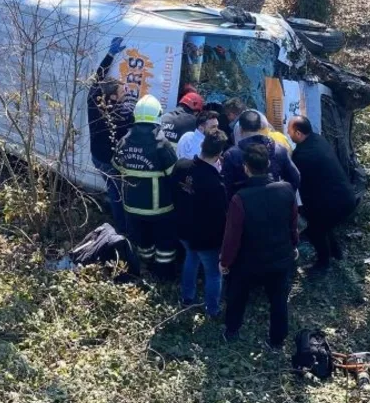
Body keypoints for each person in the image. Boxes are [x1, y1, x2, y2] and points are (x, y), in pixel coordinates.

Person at [220, 144, 299, 347]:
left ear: (246, 168)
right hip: (281, 258)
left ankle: (231, 331)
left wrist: (225, 261)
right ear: (269, 164)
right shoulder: (286, 189)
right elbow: (292, 223)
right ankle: (277, 341)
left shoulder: (240, 199)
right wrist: (294, 245)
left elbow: (232, 237)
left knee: (237, 297)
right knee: (279, 300)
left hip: (248, 262)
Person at [114, 94, 180, 279]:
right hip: (160, 208)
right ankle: (164, 276)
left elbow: (116, 166)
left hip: (132, 206)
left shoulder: (124, 141)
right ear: (158, 115)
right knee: (164, 243)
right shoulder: (162, 144)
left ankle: (145, 267)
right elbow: (174, 173)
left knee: (143, 241)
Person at [288, 116, 358, 272]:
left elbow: (302, 186)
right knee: (325, 224)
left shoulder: (302, 156)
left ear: (298, 134)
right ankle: (336, 252)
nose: (288, 133)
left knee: (314, 230)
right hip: (346, 196)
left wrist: (302, 209)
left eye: (290, 131)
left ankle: (323, 263)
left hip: (335, 202)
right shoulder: (317, 140)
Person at [172, 130, 229, 316]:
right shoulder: (216, 184)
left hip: (183, 229)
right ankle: (212, 310)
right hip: (206, 239)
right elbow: (221, 217)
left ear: (202, 146)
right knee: (213, 273)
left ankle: (187, 297)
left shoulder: (181, 166)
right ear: (219, 154)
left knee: (191, 258)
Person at [88, 37, 136, 230]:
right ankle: (123, 230)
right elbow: (132, 118)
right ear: (113, 97)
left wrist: (110, 55)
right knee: (118, 196)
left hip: (97, 157)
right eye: (122, 90)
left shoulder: (94, 101)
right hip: (109, 161)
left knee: (113, 191)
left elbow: (96, 79)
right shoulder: (121, 115)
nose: (126, 90)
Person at [222, 109, 300, 196]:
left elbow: (227, 187)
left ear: (240, 129)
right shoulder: (279, 149)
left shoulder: (232, 155)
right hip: (276, 202)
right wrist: (285, 196)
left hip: (246, 205)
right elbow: (295, 177)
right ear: (261, 127)